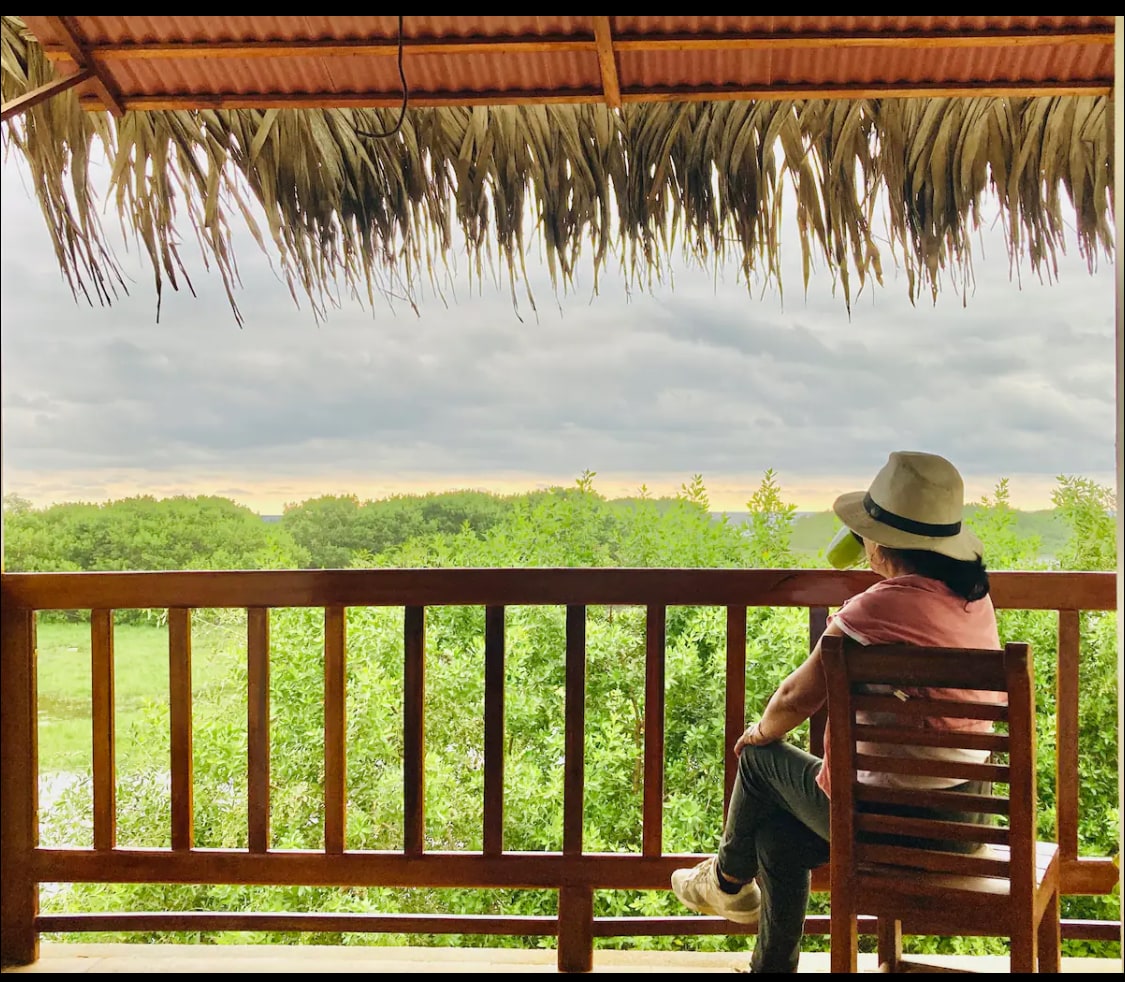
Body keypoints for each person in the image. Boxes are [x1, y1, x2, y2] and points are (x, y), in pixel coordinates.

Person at [669, 450, 1000, 974]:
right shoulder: (975, 602)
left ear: (882, 545)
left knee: (757, 758)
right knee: (777, 838)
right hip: (964, 823)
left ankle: (726, 882)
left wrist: (760, 731)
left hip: (885, 824)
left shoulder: (876, 608)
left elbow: (793, 699)